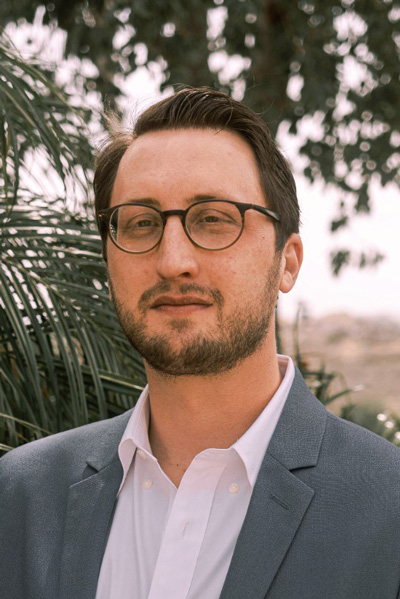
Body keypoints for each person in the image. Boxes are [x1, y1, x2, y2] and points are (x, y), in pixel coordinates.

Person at [1, 87, 400, 599]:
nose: (173, 261)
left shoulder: (386, 508)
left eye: (213, 219)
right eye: (141, 223)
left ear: (288, 261)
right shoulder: (22, 497)